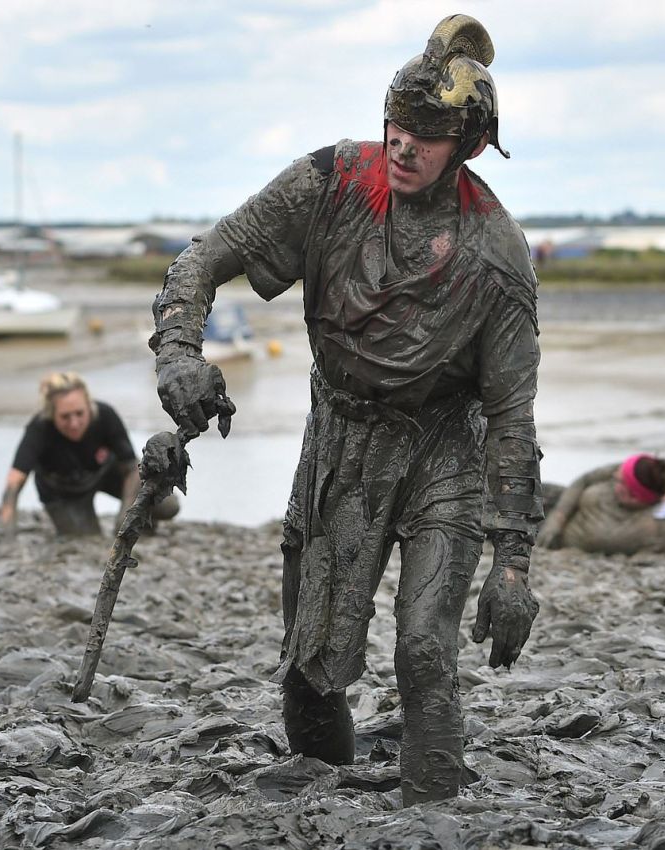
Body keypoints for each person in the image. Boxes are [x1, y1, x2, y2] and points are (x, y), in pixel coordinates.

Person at [150, 13, 543, 805]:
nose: (403, 145)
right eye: (396, 125)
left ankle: (433, 806)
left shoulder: (495, 255)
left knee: (426, 649)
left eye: (426, 135)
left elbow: (511, 419)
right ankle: (322, 788)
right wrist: (179, 354)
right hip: (341, 438)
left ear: (465, 145)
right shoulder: (327, 182)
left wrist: (511, 566)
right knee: (309, 660)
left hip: (444, 447)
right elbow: (202, 258)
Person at [0, 371, 179, 536]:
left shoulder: (105, 416)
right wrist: (8, 536)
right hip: (63, 491)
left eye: (79, 413)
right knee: (86, 540)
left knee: (168, 504)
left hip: (105, 472)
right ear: (51, 413)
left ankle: (143, 522)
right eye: (65, 417)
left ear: (88, 406)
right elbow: (14, 484)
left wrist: (125, 518)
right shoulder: (39, 428)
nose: (74, 423)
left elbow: (132, 468)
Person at [538, 454, 665, 556]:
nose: (615, 476)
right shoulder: (624, 469)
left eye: (620, 481)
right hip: (559, 509)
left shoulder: (659, 526)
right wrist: (558, 517)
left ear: (635, 498)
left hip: (563, 543)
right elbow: (584, 480)